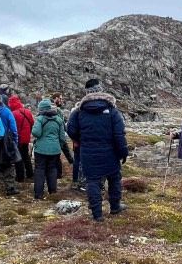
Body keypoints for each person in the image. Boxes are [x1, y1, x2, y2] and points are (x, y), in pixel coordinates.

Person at [66, 78, 128, 222]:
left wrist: (82, 140)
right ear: (100, 91)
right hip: (110, 152)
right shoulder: (112, 111)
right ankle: (115, 206)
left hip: (88, 152)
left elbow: (71, 131)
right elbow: (119, 134)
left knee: (92, 181)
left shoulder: (78, 111)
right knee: (114, 178)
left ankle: (97, 214)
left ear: (86, 93)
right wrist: (123, 153)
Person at [31, 99, 69, 199]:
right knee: (52, 169)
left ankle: (38, 194)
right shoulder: (58, 119)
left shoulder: (40, 119)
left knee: (39, 170)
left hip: (41, 150)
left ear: (41, 109)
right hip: (55, 150)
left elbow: (36, 133)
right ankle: (52, 192)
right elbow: (62, 137)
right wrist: (58, 146)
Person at [8, 95, 35, 181]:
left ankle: (20, 176)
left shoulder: (13, 114)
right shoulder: (28, 112)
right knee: (26, 155)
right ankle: (30, 173)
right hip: (26, 138)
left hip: (18, 139)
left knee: (18, 157)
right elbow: (32, 123)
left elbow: (11, 127)